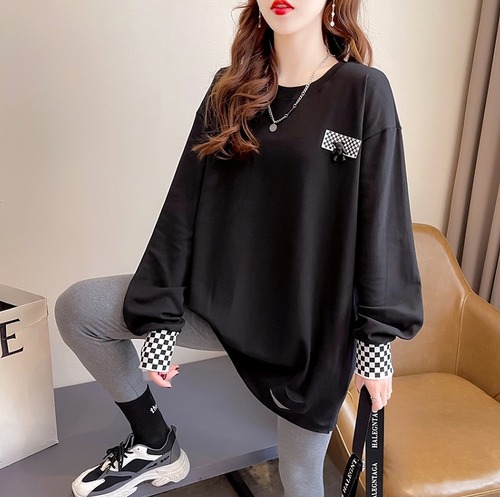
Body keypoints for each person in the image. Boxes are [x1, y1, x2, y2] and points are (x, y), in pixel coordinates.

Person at [55, 1, 423, 496]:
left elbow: (382, 222)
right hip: (219, 304)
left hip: (307, 332)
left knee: (300, 477)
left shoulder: (362, 91)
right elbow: (182, 207)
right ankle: (155, 443)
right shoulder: (227, 90)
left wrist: (375, 344)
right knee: (79, 308)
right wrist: (160, 320)